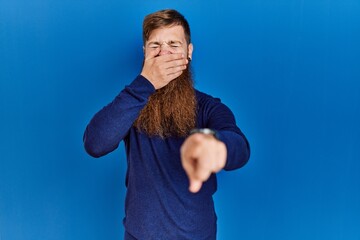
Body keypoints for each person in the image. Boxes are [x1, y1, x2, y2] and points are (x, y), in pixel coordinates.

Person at [83, 9, 250, 240]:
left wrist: (216, 145)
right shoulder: (131, 103)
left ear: (189, 52)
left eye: (173, 44)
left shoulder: (208, 107)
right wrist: (146, 82)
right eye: (155, 46)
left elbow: (240, 146)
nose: (164, 53)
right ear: (144, 53)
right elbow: (95, 143)